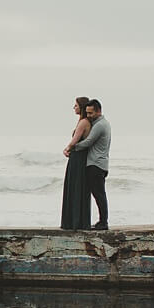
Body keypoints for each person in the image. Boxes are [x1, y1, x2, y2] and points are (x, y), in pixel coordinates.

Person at [65, 98, 112, 230]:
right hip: (99, 163)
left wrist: (72, 148)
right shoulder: (101, 123)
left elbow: (88, 141)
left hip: (96, 164)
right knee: (98, 194)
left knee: (99, 194)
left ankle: (103, 222)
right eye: (88, 113)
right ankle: (101, 221)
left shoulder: (100, 125)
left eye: (91, 113)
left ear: (99, 111)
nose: (89, 116)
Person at [60, 97, 92, 230]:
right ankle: (76, 220)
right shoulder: (84, 121)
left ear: (82, 107)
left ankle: (73, 222)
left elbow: (75, 140)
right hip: (79, 157)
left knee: (75, 187)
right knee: (77, 187)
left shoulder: (84, 122)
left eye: (76, 105)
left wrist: (67, 148)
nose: (74, 107)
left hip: (78, 158)